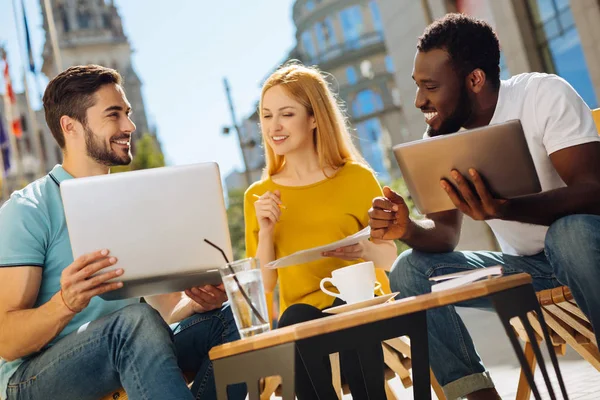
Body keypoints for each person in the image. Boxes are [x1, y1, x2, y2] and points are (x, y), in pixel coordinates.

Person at [369, 13, 600, 400]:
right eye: (417, 86)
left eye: (430, 86)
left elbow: (593, 191)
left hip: (588, 254)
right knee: (408, 270)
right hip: (527, 275)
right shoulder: (441, 135)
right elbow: (444, 236)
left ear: (474, 79)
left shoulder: (541, 95)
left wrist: (503, 208)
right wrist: (407, 230)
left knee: (568, 234)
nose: (419, 100)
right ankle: (476, 395)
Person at [0, 65, 245, 400]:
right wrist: (65, 303)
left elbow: (167, 309)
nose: (129, 126)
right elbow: (7, 341)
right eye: (113, 115)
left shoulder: (135, 199)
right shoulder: (27, 209)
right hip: (31, 379)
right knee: (135, 321)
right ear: (70, 126)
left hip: (131, 342)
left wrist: (198, 301)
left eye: (127, 113)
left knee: (232, 316)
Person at [244, 63, 398, 399]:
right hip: (304, 324)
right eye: (267, 116)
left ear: (314, 118)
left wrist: (364, 251)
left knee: (353, 310)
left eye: (286, 114)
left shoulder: (356, 178)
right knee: (296, 318)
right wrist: (267, 231)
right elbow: (264, 287)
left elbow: (389, 257)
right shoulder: (259, 196)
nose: (275, 126)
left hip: (363, 309)